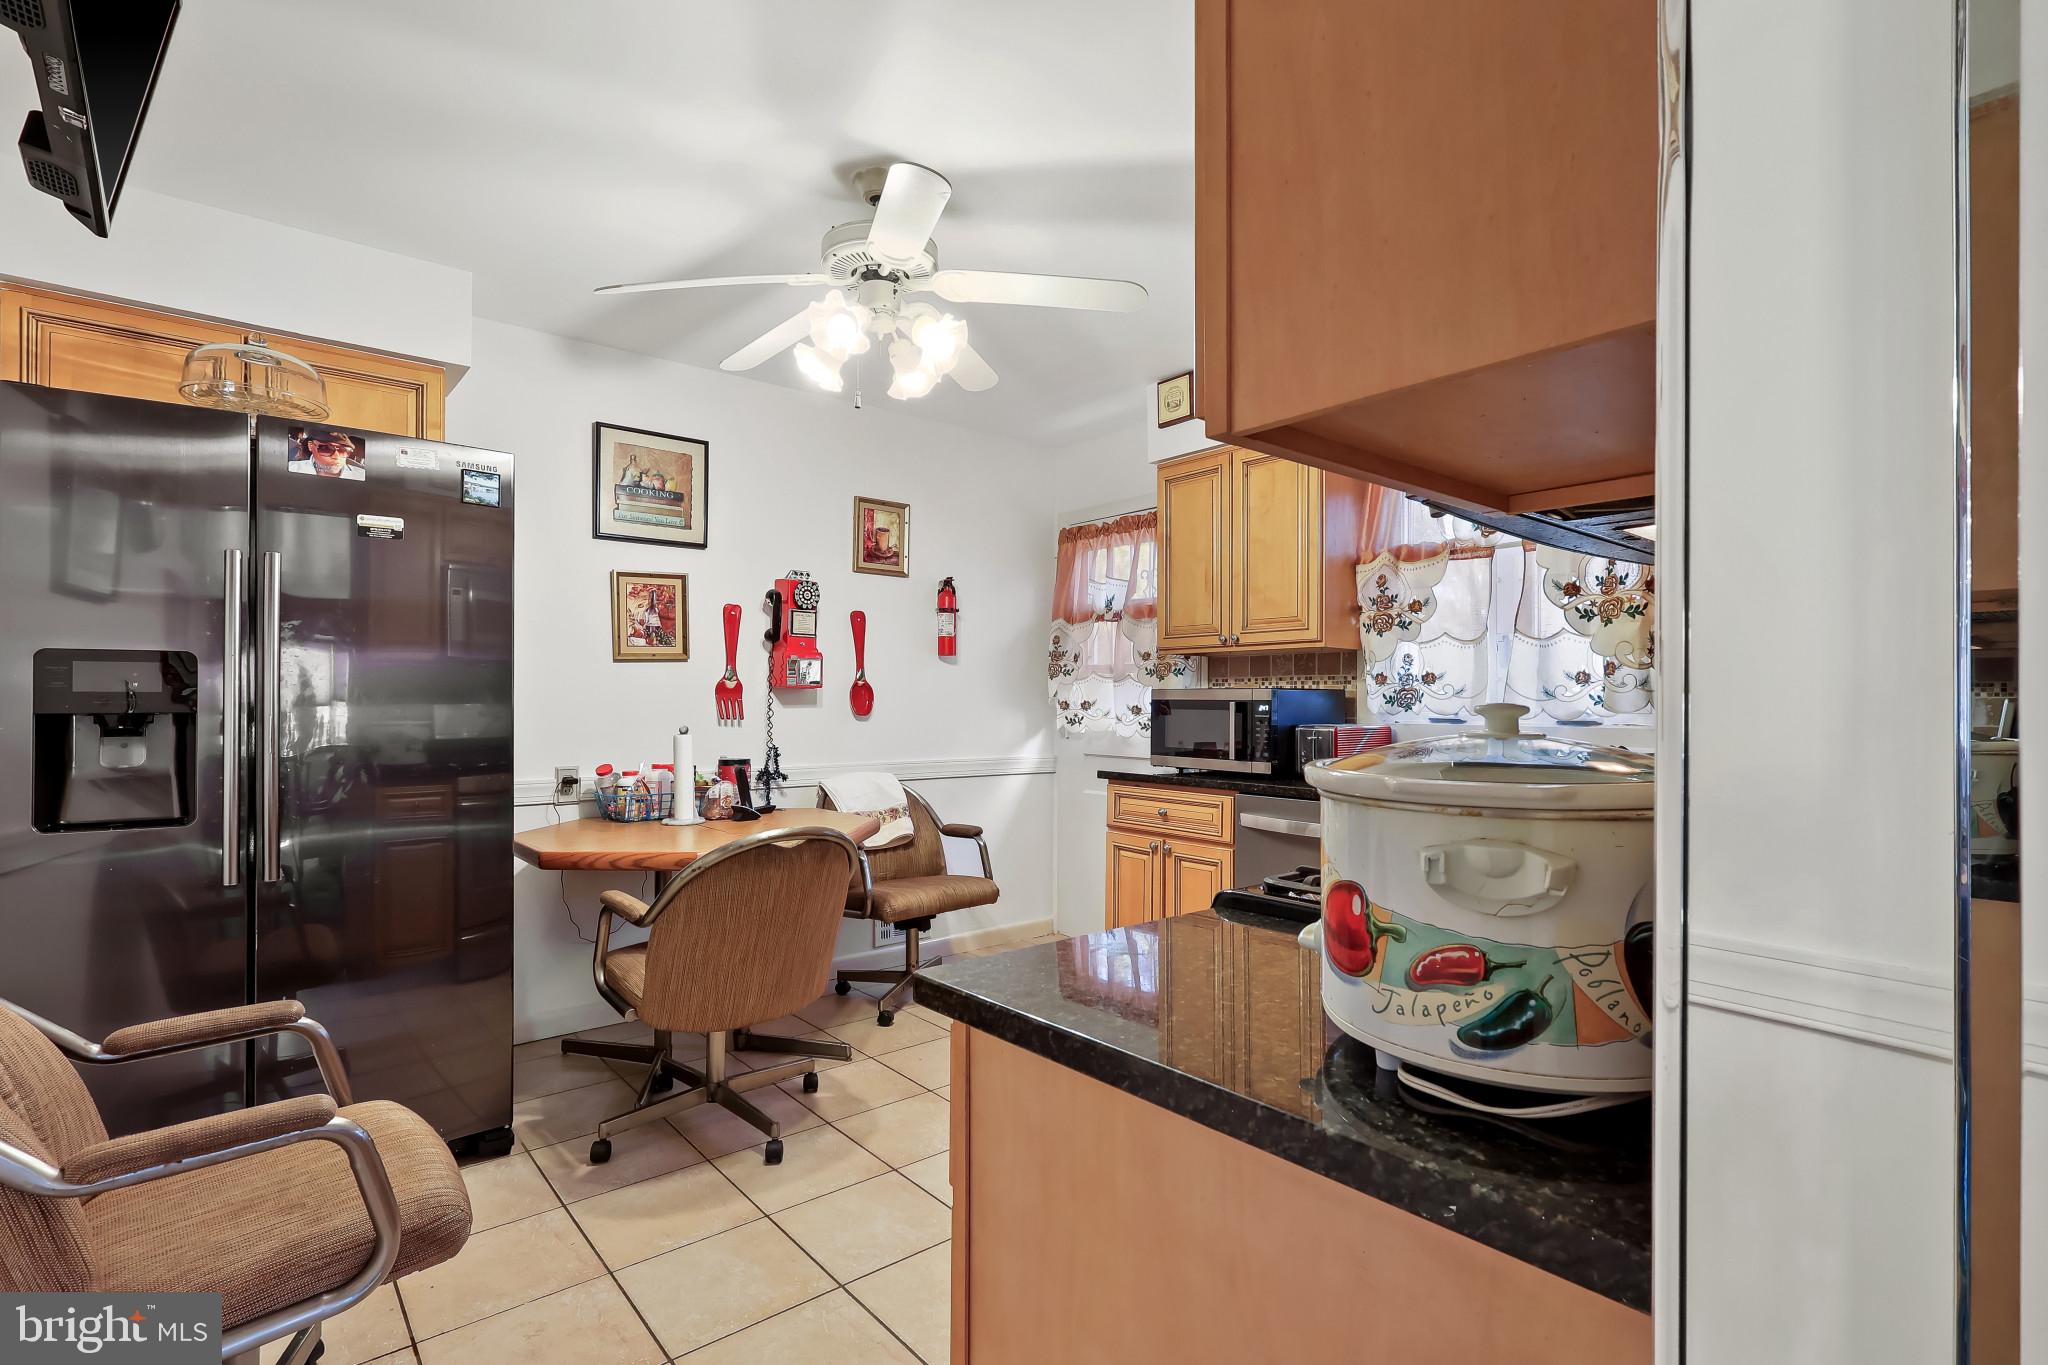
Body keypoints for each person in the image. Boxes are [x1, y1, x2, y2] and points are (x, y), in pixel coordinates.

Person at [287, 430, 365, 480]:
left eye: (343, 450)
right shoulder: (291, 469)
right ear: (310, 446)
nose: (336, 456)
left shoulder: (361, 476)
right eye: (325, 448)